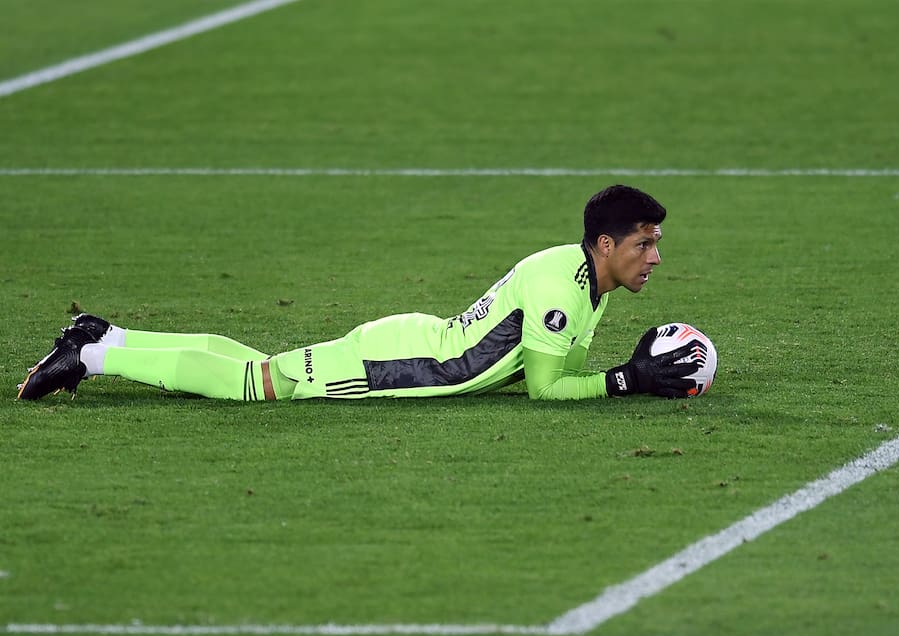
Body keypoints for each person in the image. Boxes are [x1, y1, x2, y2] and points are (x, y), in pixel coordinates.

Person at [18, 185, 705, 402]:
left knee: (261, 363)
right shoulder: (565, 285)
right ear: (606, 244)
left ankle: (104, 339)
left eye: (657, 243)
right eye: (644, 243)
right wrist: (626, 381)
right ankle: (94, 357)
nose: (655, 256)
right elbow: (547, 388)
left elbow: (531, 362)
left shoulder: (588, 275)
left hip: (411, 343)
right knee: (261, 385)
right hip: (397, 364)